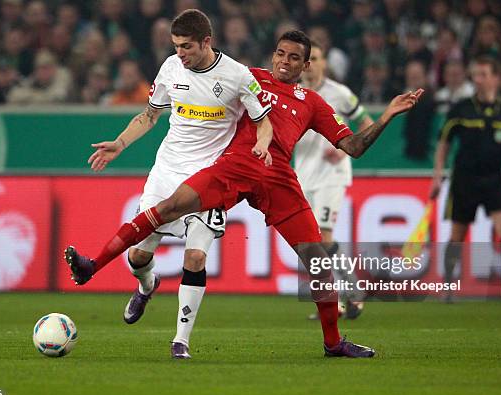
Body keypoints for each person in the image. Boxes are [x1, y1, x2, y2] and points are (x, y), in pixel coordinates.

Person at [65, 29, 423, 359]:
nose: (284, 61)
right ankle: (93, 265)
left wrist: (387, 114)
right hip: (235, 164)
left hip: (278, 176)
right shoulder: (248, 76)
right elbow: (208, 72)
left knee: (318, 262)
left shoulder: (311, 102)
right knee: (170, 205)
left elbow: (354, 146)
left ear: (306, 64)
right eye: (280, 53)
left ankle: (333, 343)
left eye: (293, 57)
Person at [82, 9, 272, 359]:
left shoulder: (238, 76)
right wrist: (119, 144)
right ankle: (147, 285)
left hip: (208, 178)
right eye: (176, 46)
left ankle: (181, 340)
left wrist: (262, 142)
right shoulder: (170, 68)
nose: (180, 53)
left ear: (206, 41)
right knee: (137, 257)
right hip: (167, 172)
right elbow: (150, 115)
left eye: (186, 46)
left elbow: (263, 120)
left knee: (196, 257)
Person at [430, 56, 501, 302]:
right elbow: (444, 142)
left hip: (493, 180)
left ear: (496, 78)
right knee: (458, 234)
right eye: (475, 74)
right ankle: (447, 290)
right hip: (464, 180)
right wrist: (437, 176)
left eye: (482, 74)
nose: (477, 79)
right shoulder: (461, 108)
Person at [295, 41, 373, 321]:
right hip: (303, 175)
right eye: (307, 59)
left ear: (324, 62)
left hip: (332, 175)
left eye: (316, 58)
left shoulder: (339, 94)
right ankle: (335, 301)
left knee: (323, 238)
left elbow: (366, 123)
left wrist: (343, 152)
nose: (311, 64)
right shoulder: (294, 93)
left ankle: (352, 292)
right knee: (310, 242)